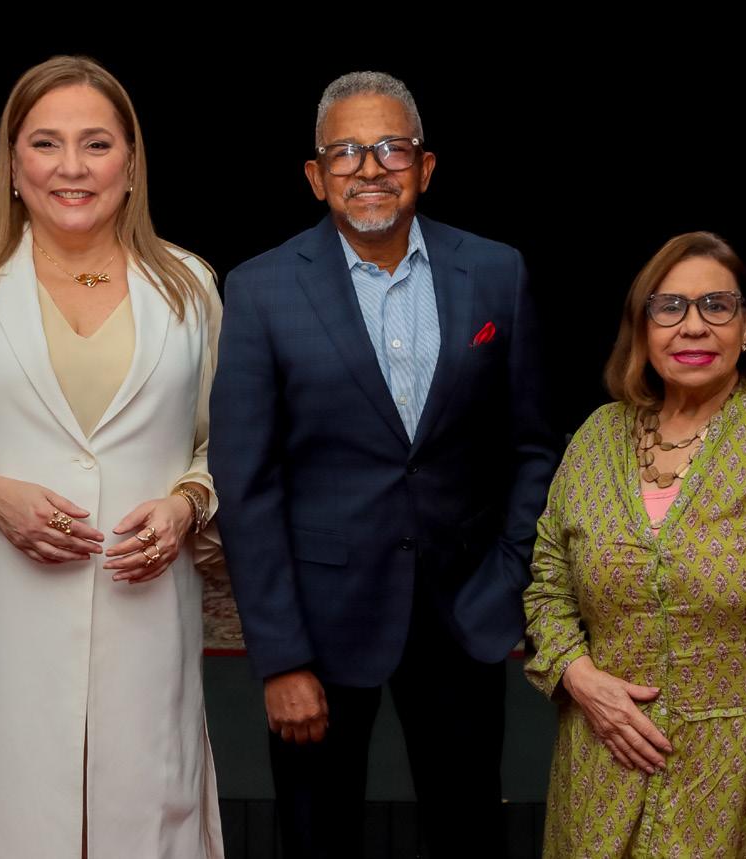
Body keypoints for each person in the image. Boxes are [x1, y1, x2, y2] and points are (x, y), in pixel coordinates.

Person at [209, 71, 557, 858]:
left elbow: (533, 444)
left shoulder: (496, 272)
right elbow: (247, 483)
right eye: (346, 152)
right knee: (316, 837)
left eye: (391, 148)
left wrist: (508, 574)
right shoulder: (260, 289)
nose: (369, 168)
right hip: (319, 629)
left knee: (469, 835)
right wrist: (280, 658)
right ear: (315, 176)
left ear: (423, 166)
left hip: (463, 615)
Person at [0, 56, 224, 859]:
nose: (72, 167)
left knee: (152, 826)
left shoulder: (189, 286)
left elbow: (223, 447)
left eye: (97, 143)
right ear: (13, 164)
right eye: (46, 143)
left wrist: (187, 502)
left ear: (132, 162)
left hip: (146, 622)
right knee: (11, 827)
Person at [524, 231, 746, 858]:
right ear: (642, 326)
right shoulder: (596, 437)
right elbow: (548, 587)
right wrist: (580, 677)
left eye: (716, 305)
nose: (693, 326)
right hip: (603, 768)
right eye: (669, 307)